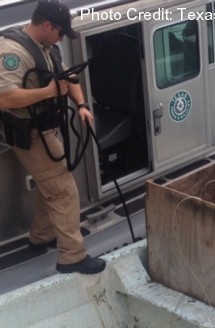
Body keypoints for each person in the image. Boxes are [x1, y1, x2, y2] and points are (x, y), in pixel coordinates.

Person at [0, 0, 106, 274]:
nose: (61, 38)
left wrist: (81, 105)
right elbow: (6, 97)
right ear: (47, 26)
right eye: (60, 32)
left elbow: (68, 78)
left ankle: (41, 237)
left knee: (50, 186)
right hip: (31, 135)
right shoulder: (12, 52)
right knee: (64, 191)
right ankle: (72, 257)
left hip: (47, 129)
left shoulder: (48, 47)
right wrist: (50, 93)